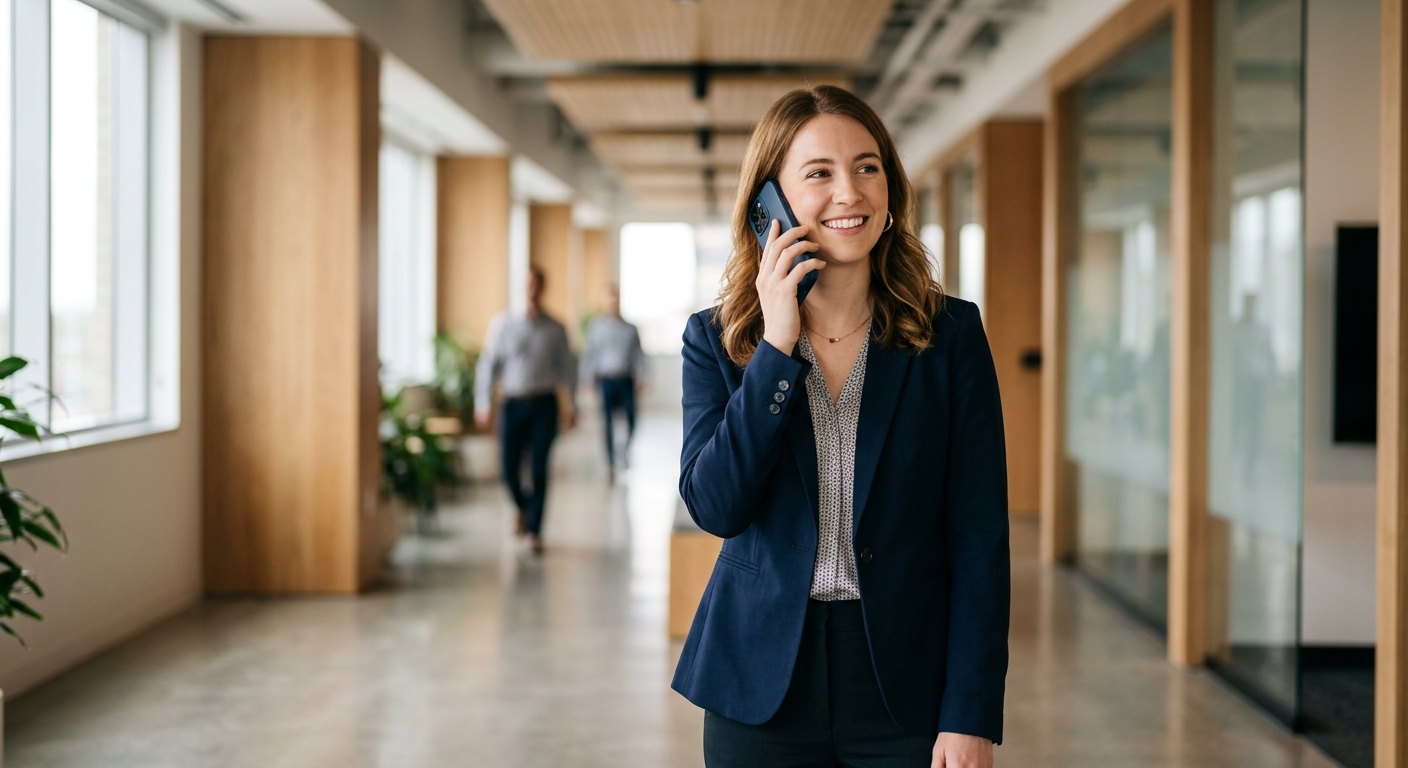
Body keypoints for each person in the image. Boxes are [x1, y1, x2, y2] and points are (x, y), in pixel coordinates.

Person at [672, 85, 1010, 768]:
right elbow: (716, 506)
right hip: (760, 679)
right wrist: (775, 347)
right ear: (773, 202)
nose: (849, 193)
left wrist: (970, 712)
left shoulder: (950, 336)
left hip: (904, 680)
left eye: (866, 167)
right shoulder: (717, 340)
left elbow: (980, 537)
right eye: (819, 174)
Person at [474, 266, 577, 554]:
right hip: (511, 404)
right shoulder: (503, 325)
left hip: (543, 405)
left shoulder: (556, 328)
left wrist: (572, 407)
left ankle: (534, 530)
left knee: (539, 467)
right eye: (528, 285)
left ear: (543, 289)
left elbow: (568, 370)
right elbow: (488, 366)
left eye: (537, 285)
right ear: (522, 288)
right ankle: (522, 507)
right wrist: (482, 403)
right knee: (508, 468)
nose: (532, 291)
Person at [580, 285, 646, 480]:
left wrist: (642, 376)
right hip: (606, 380)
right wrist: (586, 378)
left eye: (615, 299)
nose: (612, 303)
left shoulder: (630, 329)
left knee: (632, 418)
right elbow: (590, 354)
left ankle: (623, 450)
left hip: (625, 379)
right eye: (609, 300)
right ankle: (610, 463)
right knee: (607, 422)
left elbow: (638, 354)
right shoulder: (596, 328)